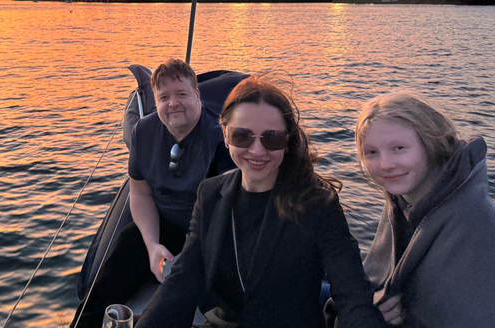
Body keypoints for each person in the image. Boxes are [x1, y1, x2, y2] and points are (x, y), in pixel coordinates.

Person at [136, 76, 388, 328]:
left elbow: (351, 290)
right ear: (224, 134)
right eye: (242, 136)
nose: (257, 151)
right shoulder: (210, 194)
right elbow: (184, 278)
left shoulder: (317, 202)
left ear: (287, 140)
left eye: (272, 138)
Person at [69, 59, 235, 328]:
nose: (173, 103)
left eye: (181, 94)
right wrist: (152, 245)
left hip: (208, 232)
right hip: (165, 225)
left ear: (197, 95)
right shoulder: (144, 132)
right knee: (124, 249)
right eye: (164, 97)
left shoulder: (219, 138)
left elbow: (228, 203)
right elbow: (141, 193)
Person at [354, 93, 495, 327]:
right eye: (372, 152)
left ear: (430, 144)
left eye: (399, 148)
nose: (385, 165)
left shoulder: (473, 222)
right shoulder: (403, 202)